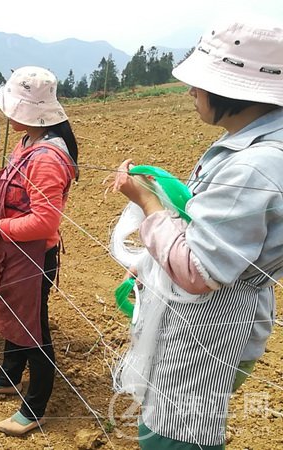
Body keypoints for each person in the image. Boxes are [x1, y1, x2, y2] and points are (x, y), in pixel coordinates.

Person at [111, 19, 283, 449]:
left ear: (233, 90)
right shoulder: (253, 143)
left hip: (210, 325)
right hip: (222, 313)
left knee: (174, 436)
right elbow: (212, 229)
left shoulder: (254, 165)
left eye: (199, 83)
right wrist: (153, 268)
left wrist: (147, 202)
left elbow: (197, 269)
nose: (191, 91)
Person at [0, 67, 79, 436]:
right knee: (15, 320)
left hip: (33, 257)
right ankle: (7, 378)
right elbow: (17, 199)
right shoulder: (28, 141)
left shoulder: (46, 157)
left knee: (34, 330)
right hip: (14, 251)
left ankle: (35, 408)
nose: (7, 114)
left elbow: (45, 223)